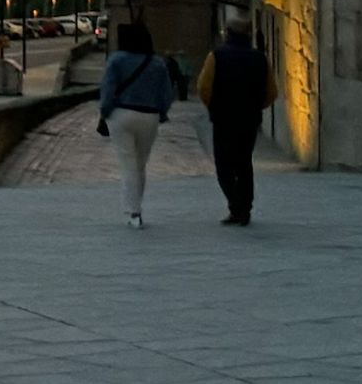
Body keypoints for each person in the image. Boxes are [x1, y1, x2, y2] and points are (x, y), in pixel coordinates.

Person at [196, 16, 276, 226]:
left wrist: (214, 106)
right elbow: (271, 91)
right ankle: (245, 207)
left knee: (224, 164)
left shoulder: (217, 56)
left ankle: (236, 205)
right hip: (249, 119)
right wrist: (257, 106)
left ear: (227, 34)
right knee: (244, 162)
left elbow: (204, 87)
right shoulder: (260, 58)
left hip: (223, 118)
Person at [99, 20, 177, 228]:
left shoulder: (116, 60)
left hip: (121, 114)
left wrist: (105, 113)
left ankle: (134, 211)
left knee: (128, 164)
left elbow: (108, 90)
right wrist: (162, 113)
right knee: (141, 164)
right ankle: (136, 207)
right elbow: (166, 94)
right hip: (148, 116)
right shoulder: (157, 63)